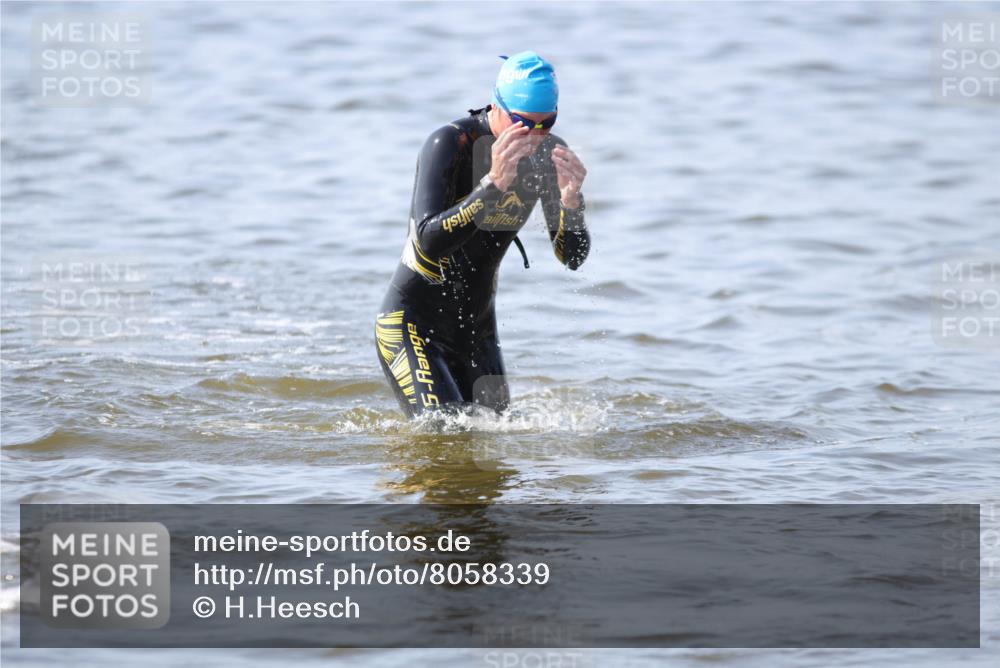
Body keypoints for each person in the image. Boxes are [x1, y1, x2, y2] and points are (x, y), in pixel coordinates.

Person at [375, 51, 590, 418]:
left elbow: (572, 258)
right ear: (497, 105)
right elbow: (427, 242)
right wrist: (492, 186)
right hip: (412, 326)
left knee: (496, 449)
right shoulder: (450, 144)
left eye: (547, 123)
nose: (535, 136)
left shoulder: (550, 155)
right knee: (443, 435)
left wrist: (572, 205)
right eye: (523, 122)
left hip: (477, 334)